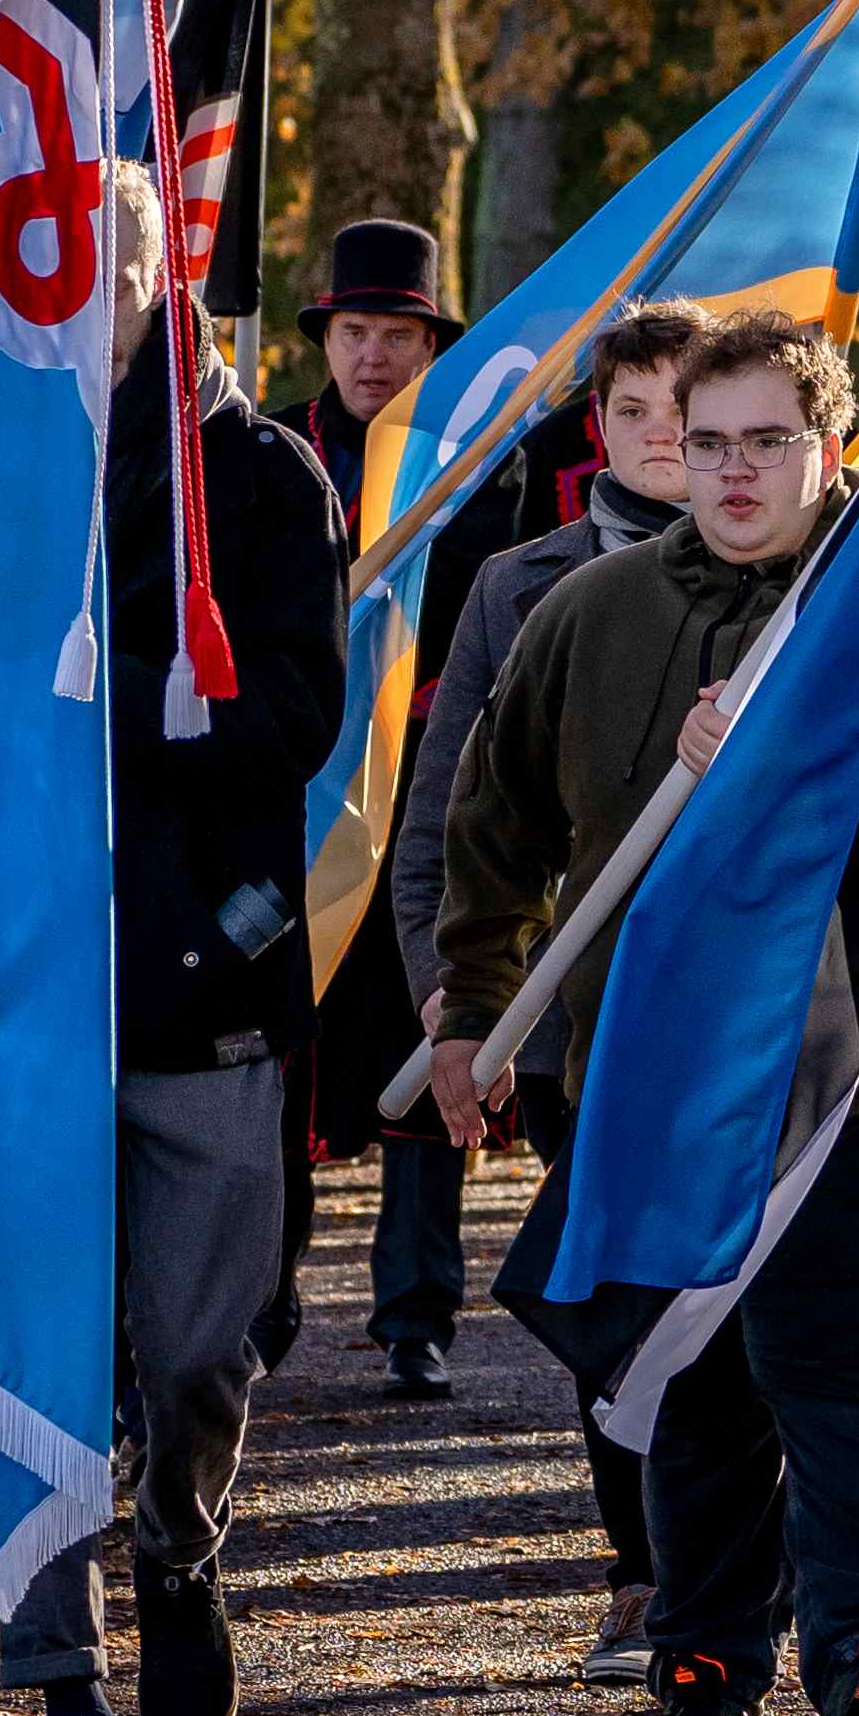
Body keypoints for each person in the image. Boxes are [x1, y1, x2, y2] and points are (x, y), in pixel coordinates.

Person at [431, 313, 859, 1716]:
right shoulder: (591, 611)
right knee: (688, 1378)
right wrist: (466, 1016)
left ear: (832, 451)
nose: (736, 468)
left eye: (770, 439)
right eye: (709, 439)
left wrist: (782, 752)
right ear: (667, 447)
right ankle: (703, 1682)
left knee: (838, 1362)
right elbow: (491, 833)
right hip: (659, 1077)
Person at [1, 174, 352, 1716]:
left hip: (204, 979)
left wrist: (119, 704)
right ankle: (62, 1691)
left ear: (161, 265)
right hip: (16, 991)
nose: (89, 285)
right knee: (33, 1362)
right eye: (56, 253)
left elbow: (294, 713)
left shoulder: (262, 475)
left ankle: (180, 1549)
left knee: (198, 1350)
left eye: (115, 255)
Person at [382, 298, 710, 1684]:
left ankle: (735, 1569)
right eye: (633, 412)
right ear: (599, 424)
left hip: (743, 991)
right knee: (607, 1286)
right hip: (578, 1004)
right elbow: (446, 809)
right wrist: (459, 1006)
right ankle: (640, 1567)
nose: (660, 441)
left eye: (685, 417)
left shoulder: (798, 577)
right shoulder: (520, 584)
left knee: (736, 1293)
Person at [289, 218, 482, 1399]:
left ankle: (416, 1313)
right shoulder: (275, 456)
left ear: (429, 344)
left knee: (432, 1034)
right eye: (354, 331)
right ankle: (257, 1306)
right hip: (308, 794)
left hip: (427, 790)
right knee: (284, 1054)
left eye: (397, 334)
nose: (373, 355)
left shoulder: (475, 464)